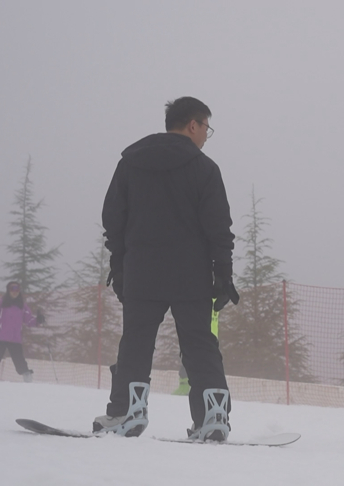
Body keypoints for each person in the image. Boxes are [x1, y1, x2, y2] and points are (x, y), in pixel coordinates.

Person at [98, 96, 240, 441]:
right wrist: (222, 274)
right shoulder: (205, 168)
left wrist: (119, 263)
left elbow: (113, 218)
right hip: (191, 275)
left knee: (136, 340)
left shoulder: (131, 163)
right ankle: (213, 418)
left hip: (142, 270)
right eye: (207, 127)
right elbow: (218, 226)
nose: (207, 135)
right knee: (199, 342)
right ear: (193, 124)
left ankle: (126, 412)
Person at [0, 281, 44, 382]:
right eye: (12, 289)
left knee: (19, 359)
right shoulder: (1, 302)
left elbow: (28, 320)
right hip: (0, 336)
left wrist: (38, 320)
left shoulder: (22, 305)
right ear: (8, 290)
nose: (15, 292)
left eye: (17, 289)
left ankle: (27, 375)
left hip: (15, 337)